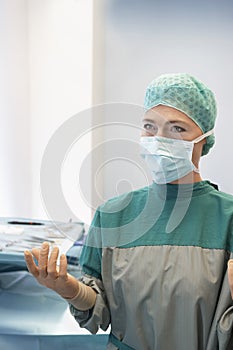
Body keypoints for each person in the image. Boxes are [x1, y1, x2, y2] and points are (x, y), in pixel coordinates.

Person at [24, 73, 233, 350]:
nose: (159, 139)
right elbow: (101, 310)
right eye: (150, 127)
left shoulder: (227, 218)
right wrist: (68, 288)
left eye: (177, 129)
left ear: (205, 140)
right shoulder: (113, 215)